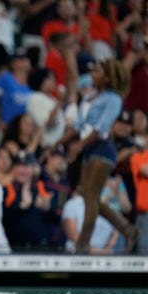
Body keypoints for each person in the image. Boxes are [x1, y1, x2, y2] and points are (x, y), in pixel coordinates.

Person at [52, 58, 139, 253]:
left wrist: (79, 145)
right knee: (87, 195)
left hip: (102, 149)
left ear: (107, 77)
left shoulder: (113, 99)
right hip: (89, 149)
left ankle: (83, 243)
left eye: (97, 71)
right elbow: (78, 127)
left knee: (90, 197)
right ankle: (127, 228)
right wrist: (57, 144)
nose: (93, 74)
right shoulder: (90, 96)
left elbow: (101, 129)